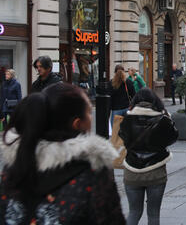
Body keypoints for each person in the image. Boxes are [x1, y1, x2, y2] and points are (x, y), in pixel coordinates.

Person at [0, 83, 125, 223]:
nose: (91, 117)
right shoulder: (92, 173)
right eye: (89, 112)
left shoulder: (14, 168)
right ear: (77, 124)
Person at [119, 88, 179, 225]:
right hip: (155, 172)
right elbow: (173, 137)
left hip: (131, 171)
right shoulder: (162, 119)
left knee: (134, 212)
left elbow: (123, 138)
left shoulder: (127, 119)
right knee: (153, 214)